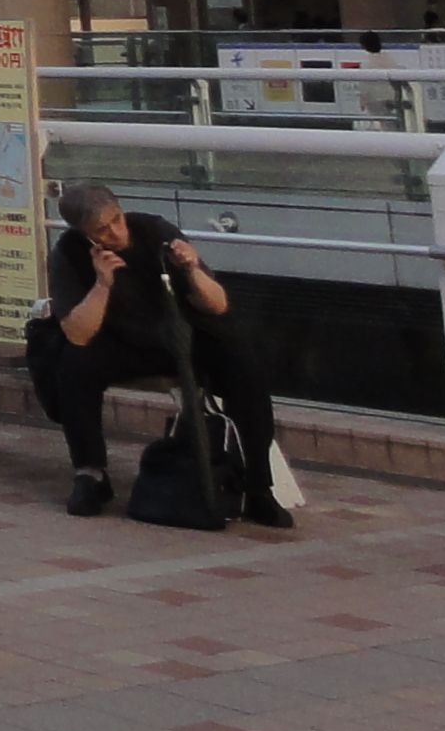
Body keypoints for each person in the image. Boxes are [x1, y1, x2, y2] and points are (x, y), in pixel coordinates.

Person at [40, 183, 289, 525]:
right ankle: (91, 474)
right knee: (74, 363)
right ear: (84, 234)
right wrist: (102, 284)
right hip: (122, 341)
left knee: (244, 359)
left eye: (116, 220)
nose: (115, 233)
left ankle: (259, 486)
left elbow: (217, 304)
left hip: (182, 332)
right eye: (102, 230)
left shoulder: (154, 230)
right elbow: (78, 334)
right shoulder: (68, 253)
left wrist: (191, 270)